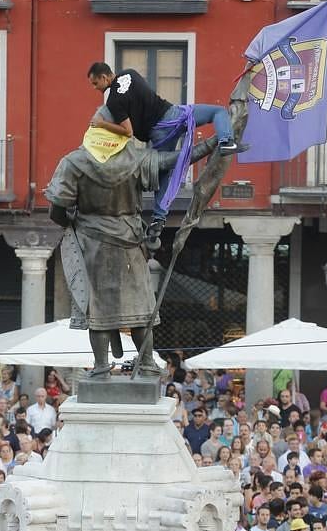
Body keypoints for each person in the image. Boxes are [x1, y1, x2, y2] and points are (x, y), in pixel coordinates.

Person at [45, 110, 181, 377]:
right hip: (130, 240)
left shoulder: (73, 162)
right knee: (141, 308)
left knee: (98, 308)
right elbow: (171, 161)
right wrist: (211, 145)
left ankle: (100, 368)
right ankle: (147, 364)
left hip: (92, 242)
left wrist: (71, 221)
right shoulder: (137, 159)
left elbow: (57, 209)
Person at [86, 61, 243, 243]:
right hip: (173, 116)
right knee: (217, 112)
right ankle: (226, 142)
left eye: (95, 83)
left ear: (104, 77)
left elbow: (128, 132)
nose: (94, 87)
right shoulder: (130, 73)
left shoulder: (113, 102)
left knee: (164, 173)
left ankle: (159, 219)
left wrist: (101, 123)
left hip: (159, 134)